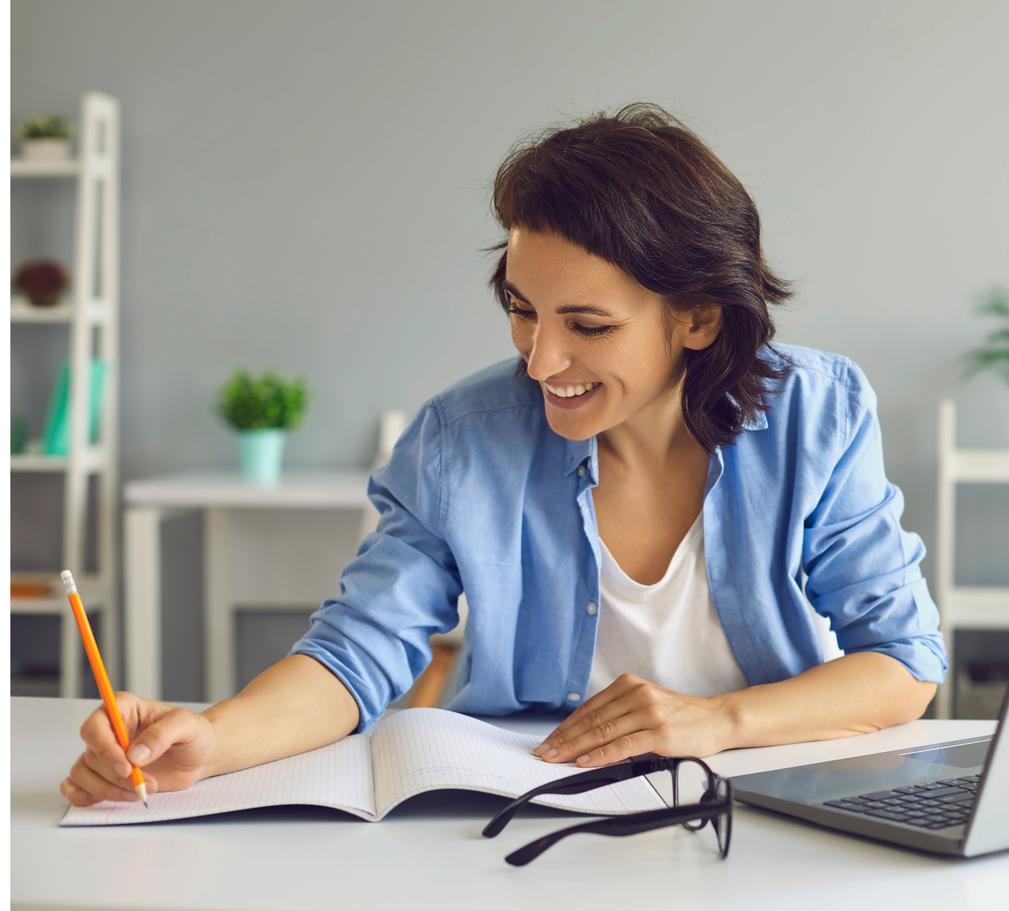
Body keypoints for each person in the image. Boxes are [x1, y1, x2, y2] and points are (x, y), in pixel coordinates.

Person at [61, 104, 946, 808]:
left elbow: (906, 663)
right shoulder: (463, 436)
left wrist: (713, 721)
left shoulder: (814, 412)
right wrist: (212, 738)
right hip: (521, 813)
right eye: (523, 308)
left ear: (699, 318)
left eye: (587, 325)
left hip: (755, 807)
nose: (540, 359)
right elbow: (356, 652)